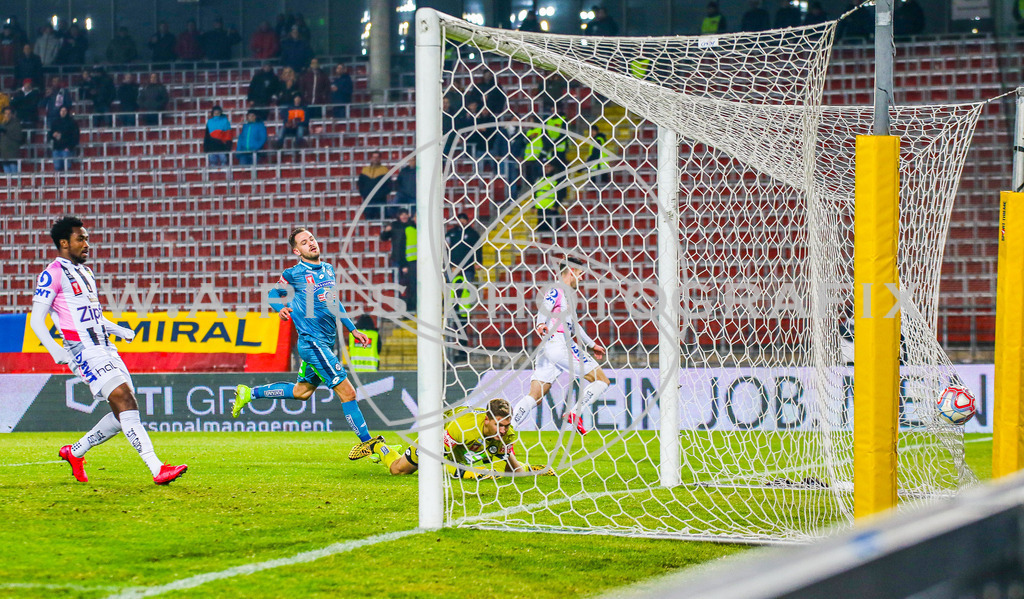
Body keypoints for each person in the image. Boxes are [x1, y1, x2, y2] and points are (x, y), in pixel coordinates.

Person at [34, 217, 188, 485]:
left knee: (122, 413)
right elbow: (37, 319)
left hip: (105, 346)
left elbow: (94, 316)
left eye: (87, 238)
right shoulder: (53, 273)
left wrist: (118, 330)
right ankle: (157, 469)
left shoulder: (86, 273)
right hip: (83, 350)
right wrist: (55, 349)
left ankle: (75, 452)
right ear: (64, 243)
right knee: (125, 400)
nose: (87, 244)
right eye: (81, 239)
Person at [231, 227, 390, 461]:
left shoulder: (328, 269)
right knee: (348, 393)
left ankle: (249, 393)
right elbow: (273, 295)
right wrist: (280, 308)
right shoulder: (294, 273)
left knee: (302, 392)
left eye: (312, 239)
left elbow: (334, 303)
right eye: (304, 242)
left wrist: (353, 329)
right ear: (297, 251)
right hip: (312, 344)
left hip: (325, 343)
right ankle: (368, 444)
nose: (311, 243)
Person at [510, 256, 610, 435]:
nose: (581, 278)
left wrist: (592, 344)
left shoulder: (566, 296)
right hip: (561, 344)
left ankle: (508, 431)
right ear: (571, 272)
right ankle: (575, 412)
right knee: (602, 380)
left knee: (535, 396)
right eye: (580, 273)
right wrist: (540, 324)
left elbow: (575, 325)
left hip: (548, 349)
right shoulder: (557, 290)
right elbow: (544, 308)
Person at [372, 399, 533, 479]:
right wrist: (469, 474)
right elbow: (439, 462)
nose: (503, 430)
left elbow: (499, 471)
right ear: (486, 420)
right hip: (439, 432)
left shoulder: (507, 433)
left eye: (506, 425)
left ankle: (531, 468)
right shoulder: (462, 427)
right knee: (399, 470)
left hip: (470, 444)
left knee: (515, 472)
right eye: (499, 425)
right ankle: (378, 445)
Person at [447, 262, 473, 363]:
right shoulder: (459, 280)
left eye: (453, 268)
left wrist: (453, 311)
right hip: (462, 311)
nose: (452, 270)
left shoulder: (458, 280)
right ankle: (462, 354)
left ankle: (462, 354)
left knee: (461, 334)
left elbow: (456, 297)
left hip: (459, 312)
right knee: (461, 334)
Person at [445, 212, 481, 282]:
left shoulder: (473, 234)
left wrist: (478, 262)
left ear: (467, 221)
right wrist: (449, 265)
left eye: (463, 220)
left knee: (466, 286)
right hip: (453, 266)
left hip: (468, 267)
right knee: (451, 286)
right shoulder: (451, 233)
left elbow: (478, 248)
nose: (461, 222)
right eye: (460, 220)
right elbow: (445, 248)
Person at [379, 208, 411, 288]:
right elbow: (383, 238)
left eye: (405, 214)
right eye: (402, 215)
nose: (404, 216)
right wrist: (386, 231)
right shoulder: (394, 225)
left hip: (410, 257)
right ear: (399, 216)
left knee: (410, 282)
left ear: (408, 215)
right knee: (396, 282)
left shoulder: (412, 225)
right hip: (397, 257)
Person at [533, 161, 565, 233]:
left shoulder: (556, 179)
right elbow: (535, 193)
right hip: (540, 208)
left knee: (555, 228)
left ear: (552, 167)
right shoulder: (539, 179)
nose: (546, 169)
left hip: (551, 208)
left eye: (548, 167)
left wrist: (556, 205)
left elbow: (560, 194)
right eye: (545, 167)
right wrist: (533, 206)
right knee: (541, 229)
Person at [48, 106, 79, 171]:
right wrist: (53, 135)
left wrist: (70, 147)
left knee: (67, 168)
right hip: (57, 148)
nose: (63, 112)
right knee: (57, 167)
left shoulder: (72, 122)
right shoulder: (55, 122)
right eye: (61, 111)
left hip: (67, 148)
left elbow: (75, 136)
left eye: (64, 111)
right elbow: (50, 134)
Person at [0, 106, 23, 173]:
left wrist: (6, 132)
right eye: (5, 113)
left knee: (14, 175)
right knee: (7, 175)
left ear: (12, 114)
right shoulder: (3, 124)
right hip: (3, 153)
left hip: (13, 153)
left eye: (9, 113)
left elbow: (19, 137)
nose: (7, 115)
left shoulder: (16, 124)